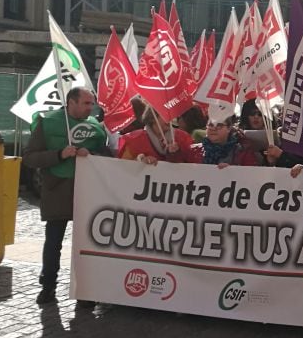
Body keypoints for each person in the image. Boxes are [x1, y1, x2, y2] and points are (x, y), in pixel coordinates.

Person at [22, 88, 111, 307]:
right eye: (87, 103)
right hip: (57, 190)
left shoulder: (96, 128)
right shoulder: (48, 122)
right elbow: (30, 158)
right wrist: (60, 154)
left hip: (88, 194)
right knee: (54, 242)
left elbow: (108, 156)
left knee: (87, 244)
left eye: (92, 104)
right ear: (71, 102)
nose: (91, 108)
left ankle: (85, 291)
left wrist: (92, 155)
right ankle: (48, 286)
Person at [117, 106, 194, 164]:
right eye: (165, 115)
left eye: (171, 115)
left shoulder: (183, 138)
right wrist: (139, 161)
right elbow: (123, 167)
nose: (169, 119)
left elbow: (193, 164)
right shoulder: (134, 139)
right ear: (152, 118)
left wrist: (176, 155)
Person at [189, 116, 265, 167]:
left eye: (219, 125)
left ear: (229, 128)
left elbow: (251, 176)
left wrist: (231, 171)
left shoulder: (243, 152)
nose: (213, 129)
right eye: (210, 125)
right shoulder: (193, 151)